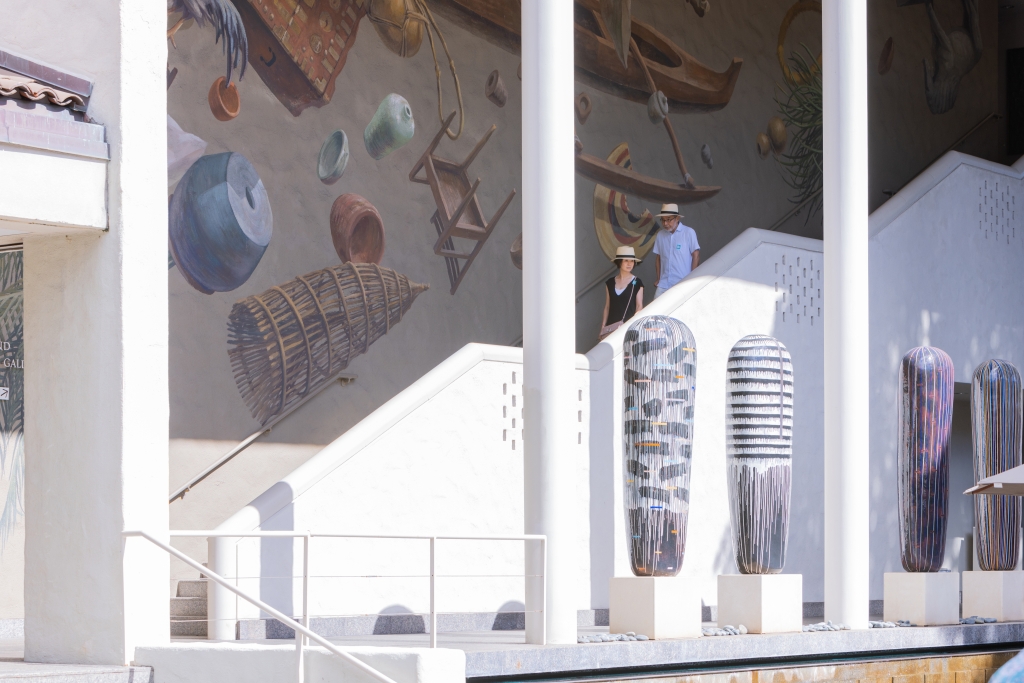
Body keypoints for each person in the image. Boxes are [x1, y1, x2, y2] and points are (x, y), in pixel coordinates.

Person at [652, 203, 700, 298]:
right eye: (663, 220)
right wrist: (658, 278)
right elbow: (658, 258)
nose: (665, 223)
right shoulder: (660, 235)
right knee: (655, 310)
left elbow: (696, 256)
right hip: (663, 284)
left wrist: (692, 278)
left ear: (677, 218)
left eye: (669, 220)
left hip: (682, 283)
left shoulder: (688, 232)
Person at [600, 246, 644, 340]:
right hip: (611, 328)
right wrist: (603, 327)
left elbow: (639, 306)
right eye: (626, 260)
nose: (629, 264)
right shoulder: (610, 283)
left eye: (632, 261)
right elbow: (607, 306)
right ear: (619, 262)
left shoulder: (637, 282)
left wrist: (633, 325)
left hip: (628, 328)